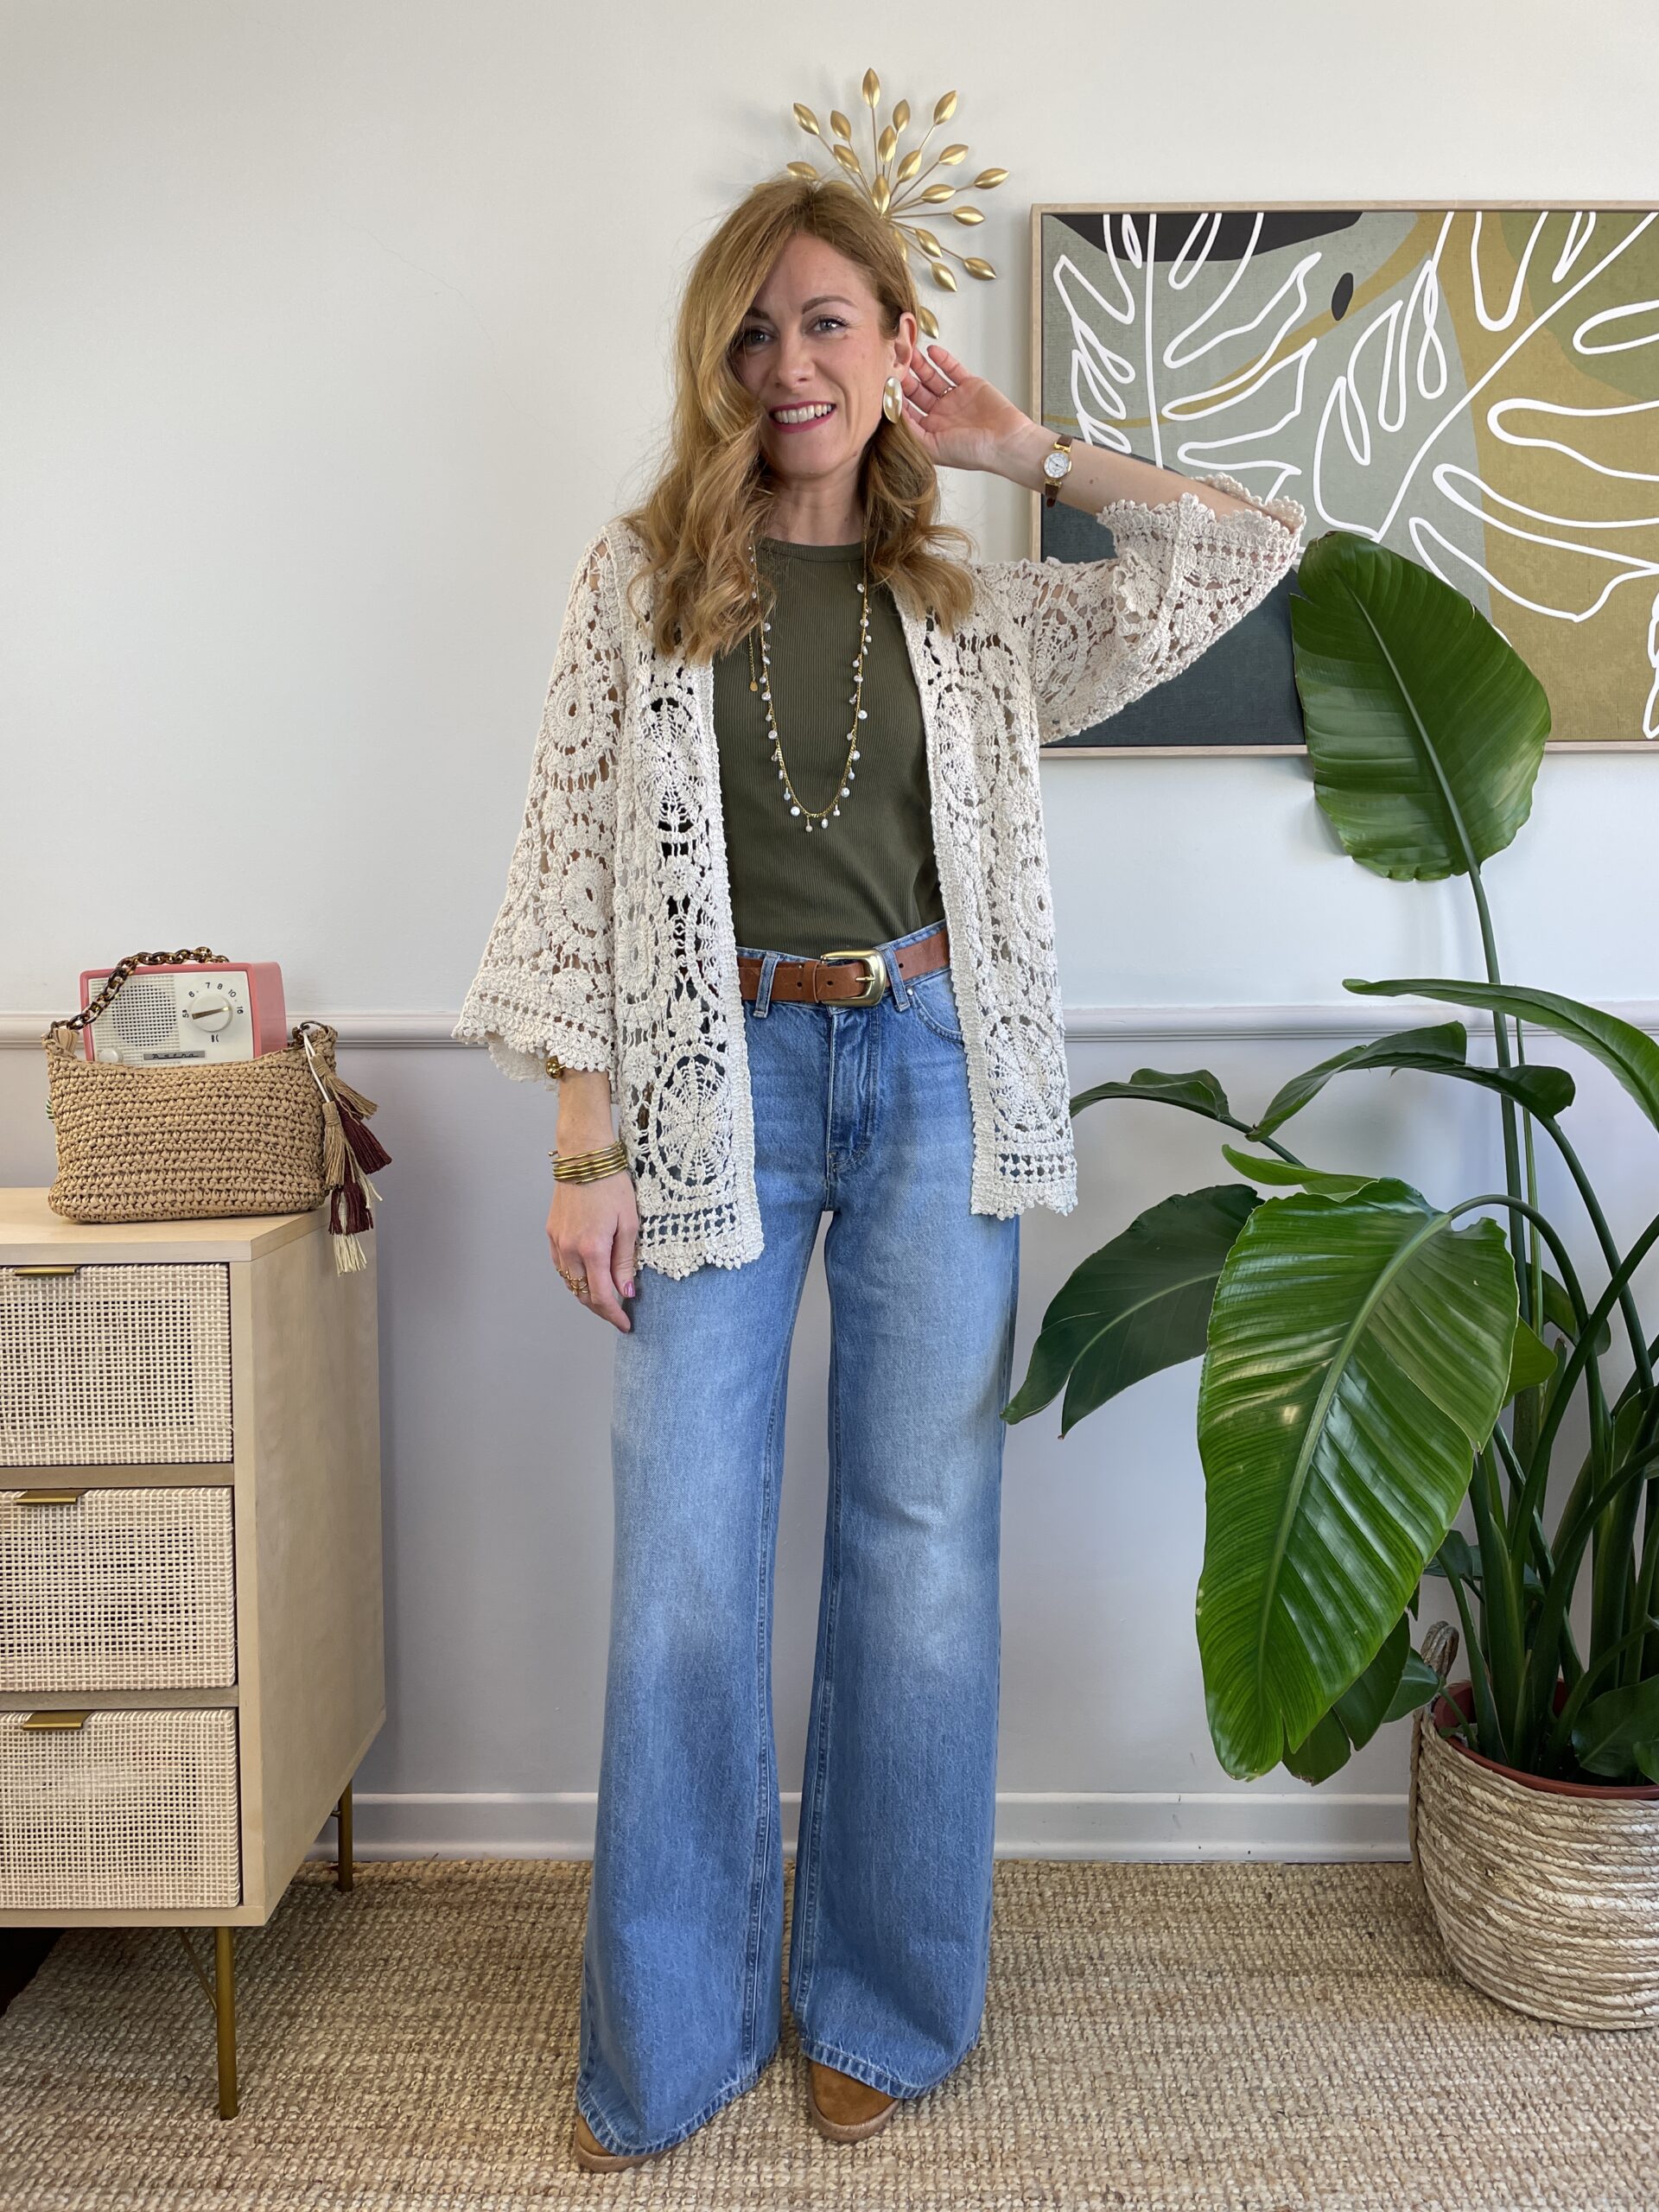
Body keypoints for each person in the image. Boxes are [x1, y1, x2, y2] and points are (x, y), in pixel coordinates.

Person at [454, 175, 1305, 2170]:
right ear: (713, 358)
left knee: (921, 1548)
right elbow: (570, 865)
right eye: (754, 330)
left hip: (933, 1061)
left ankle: (885, 2004)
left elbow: (1248, 550)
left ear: (895, 340)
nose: (790, 365)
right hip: (714, 1073)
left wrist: (1023, 449)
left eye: (828, 320)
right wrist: (584, 1135)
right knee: (686, 1556)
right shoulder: (639, 582)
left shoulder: (973, 600)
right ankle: (670, 2030)